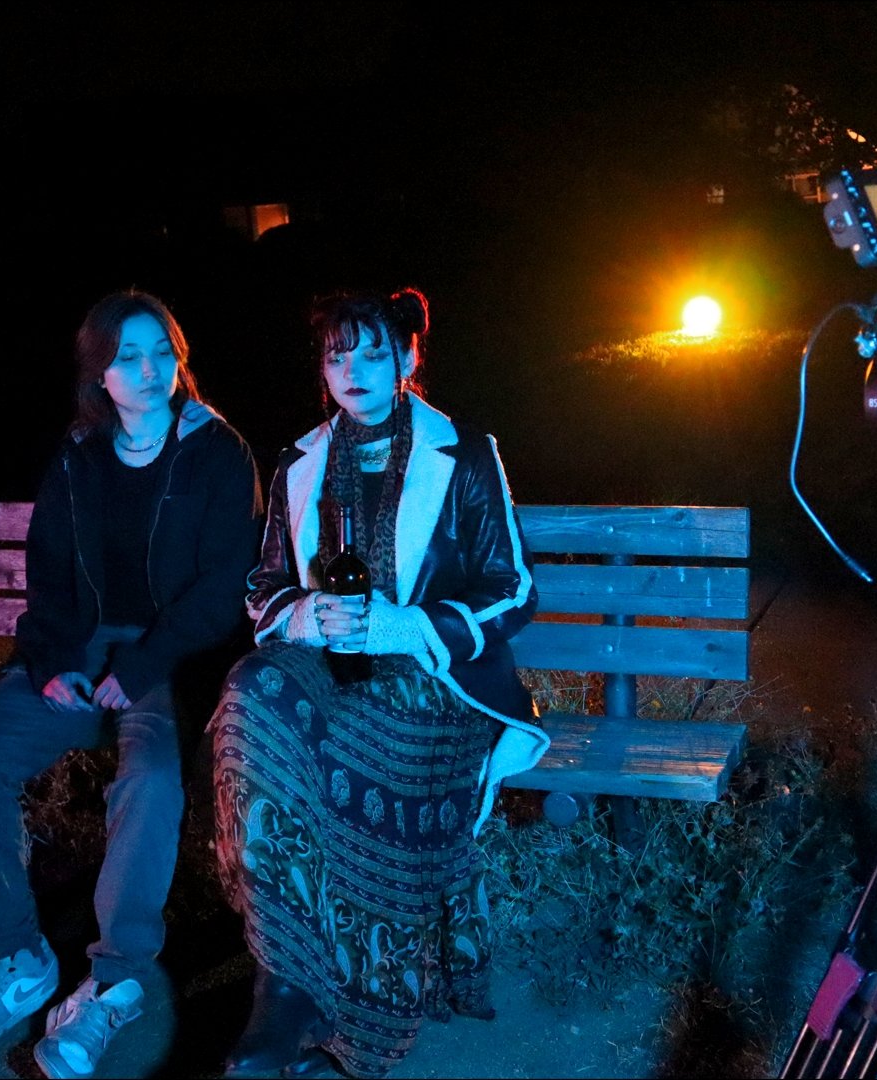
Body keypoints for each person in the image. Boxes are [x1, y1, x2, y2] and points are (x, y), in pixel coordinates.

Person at [210, 287, 548, 1079]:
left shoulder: (462, 452)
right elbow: (262, 587)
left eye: (371, 352)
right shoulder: (298, 460)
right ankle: (286, 983)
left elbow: (515, 587)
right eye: (337, 354)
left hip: (434, 676)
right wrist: (300, 614)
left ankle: (333, 1006)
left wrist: (407, 626)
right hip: (328, 665)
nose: (352, 369)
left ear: (406, 359)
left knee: (355, 728)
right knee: (251, 695)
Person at [0, 290, 262, 1078]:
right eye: (127, 357)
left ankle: (115, 982)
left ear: (179, 360)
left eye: (161, 352)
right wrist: (49, 670)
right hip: (79, 654)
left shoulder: (216, 451)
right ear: (100, 376)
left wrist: (140, 666)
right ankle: (15, 958)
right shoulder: (78, 457)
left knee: (148, 778)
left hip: (169, 661)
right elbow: (46, 579)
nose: (148, 371)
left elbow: (224, 586)